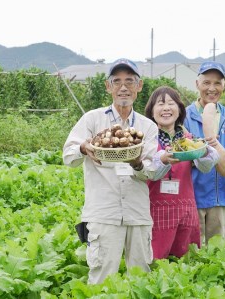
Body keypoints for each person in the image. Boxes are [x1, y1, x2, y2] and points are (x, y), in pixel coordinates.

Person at [62, 58, 159, 284]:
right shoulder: (92, 119)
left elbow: (154, 170)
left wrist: (137, 164)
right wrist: (84, 148)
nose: (123, 87)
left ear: (139, 86)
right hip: (103, 212)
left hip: (137, 213)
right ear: (108, 87)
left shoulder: (147, 127)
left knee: (141, 278)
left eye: (129, 81)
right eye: (116, 81)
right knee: (102, 278)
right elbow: (68, 156)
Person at [144, 86, 219, 259]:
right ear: (151, 111)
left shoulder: (190, 140)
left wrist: (206, 150)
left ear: (179, 110)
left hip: (186, 209)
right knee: (154, 261)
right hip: (155, 210)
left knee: (185, 261)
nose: (166, 108)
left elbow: (206, 166)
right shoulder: (146, 140)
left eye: (171, 103)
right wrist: (162, 159)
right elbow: (146, 170)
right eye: (160, 104)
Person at [183, 61, 225, 244]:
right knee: (193, 252)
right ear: (197, 84)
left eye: (217, 83)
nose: (212, 88)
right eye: (206, 82)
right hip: (194, 195)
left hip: (224, 195)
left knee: (218, 252)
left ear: (224, 86)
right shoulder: (184, 116)